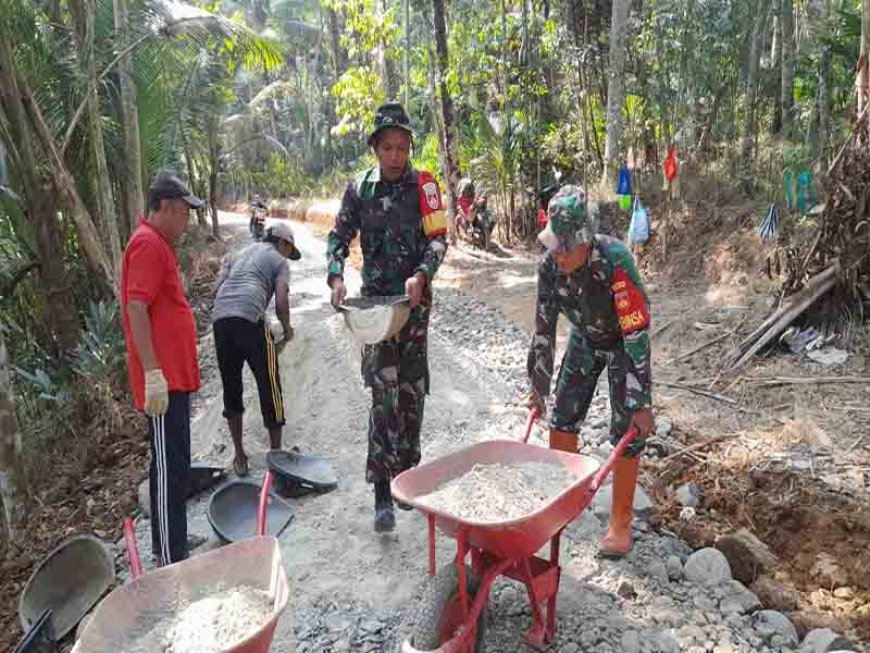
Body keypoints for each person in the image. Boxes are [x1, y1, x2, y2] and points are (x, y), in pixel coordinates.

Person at [326, 102, 448, 532]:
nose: (396, 156)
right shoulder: (360, 190)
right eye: (388, 148)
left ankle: (408, 476)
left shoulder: (426, 186)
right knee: (383, 396)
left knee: (412, 392)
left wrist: (422, 274)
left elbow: (438, 241)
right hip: (376, 310)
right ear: (375, 148)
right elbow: (337, 237)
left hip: (414, 309)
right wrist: (336, 276)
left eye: (403, 147)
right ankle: (382, 492)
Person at [526, 185, 654, 557]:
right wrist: (538, 387)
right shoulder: (549, 267)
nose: (560, 253)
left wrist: (640, 400)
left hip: (620, 343)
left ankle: (620, 522)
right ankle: (564, 501)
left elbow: (635, 331)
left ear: (586, 240)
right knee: (561, 417)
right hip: (584, 339)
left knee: (627, 428)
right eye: (555, 243)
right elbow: (543, 330)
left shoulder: (615, 260)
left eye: (568, 245)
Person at [122, 172, 203, 566]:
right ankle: (172, 556)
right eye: (185, 212)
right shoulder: (147, 246)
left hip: (172, 378)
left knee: (172, 463)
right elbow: (136, 307)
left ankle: (170, 543)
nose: (187, 221)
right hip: (163, 382)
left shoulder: (156, 244)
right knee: (171, 466)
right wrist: (153, 372)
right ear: (167, 207)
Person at [212, 222, 301, 476]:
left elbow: (216, 289)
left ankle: (240, 458)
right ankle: (275, 454)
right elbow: (281, 303)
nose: (288, 256)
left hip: (221, 320)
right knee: (269, 384)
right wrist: (287, 328)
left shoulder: (238, 253)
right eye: (289, 249)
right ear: (283, 243)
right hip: (250, 319)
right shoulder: (279, 261)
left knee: (232, 388)